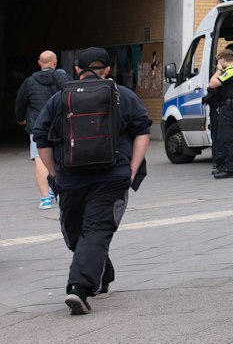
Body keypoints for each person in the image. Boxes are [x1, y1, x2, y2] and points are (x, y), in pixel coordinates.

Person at [30, 48, 151, 315]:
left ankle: (79, 289)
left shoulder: (61, 98)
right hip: (111, 176)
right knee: (94, 232)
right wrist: (131, 171)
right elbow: (143, 131)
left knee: (77, 234)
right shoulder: (123, 96)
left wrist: (54, 174)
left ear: (76, 70)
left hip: (71, 178)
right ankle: (101, 273)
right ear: (108, 70)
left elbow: (41, 138)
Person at [15, 50, 69, 210]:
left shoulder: (29, 82)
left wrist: (20, 119)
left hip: (38, 126)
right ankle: (55, 188)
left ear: (39, 63)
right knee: (59, 156)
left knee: (39, 158)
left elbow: (20, 102)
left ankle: (45, 198)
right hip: (60, 125)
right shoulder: (62, 80)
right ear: (55, 62)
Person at [205, 44, 233, 178]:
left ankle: (231, 169)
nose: (218, 63)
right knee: (225, 138)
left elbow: (212, 83)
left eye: (219, 61)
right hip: (231, 107)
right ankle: (231, 167)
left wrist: (218, 70)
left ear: (222, 59)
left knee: (226, 139)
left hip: (229, 108)